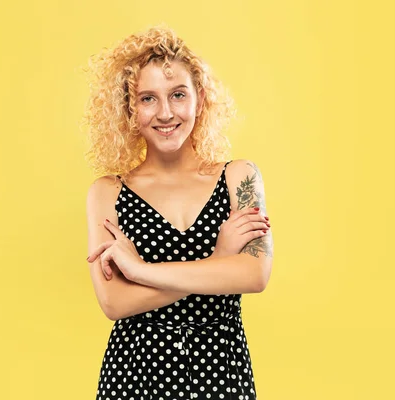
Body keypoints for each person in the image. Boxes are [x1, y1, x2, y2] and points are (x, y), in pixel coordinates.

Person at [83, 24, 274, 400]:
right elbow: (115, 302)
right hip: (136, 372)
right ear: (130, 109)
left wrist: (141, 272)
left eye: (178, 95)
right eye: (148, 99)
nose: (166, 113)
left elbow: (254, 274)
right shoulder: (108, 192)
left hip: (221, 369)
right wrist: (219, 261)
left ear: (199, 100)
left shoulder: (239, 177)